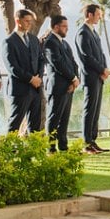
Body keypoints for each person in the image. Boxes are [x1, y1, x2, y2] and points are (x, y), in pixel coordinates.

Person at [76, 4, 110, 154]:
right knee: (89, 109)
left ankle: (93, 140)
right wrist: (101, 69)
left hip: (99, 76)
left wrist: (105, 69)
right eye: (97, 14)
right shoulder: (82, 33)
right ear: (89, 15)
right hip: (90, 77)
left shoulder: (94, 33)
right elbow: (86, 57)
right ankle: (86, 143)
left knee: (96, 110)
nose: (99, 17)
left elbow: (101, 54)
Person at [5, 9, 45, 135]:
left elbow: (40, 59)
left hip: (36, 88)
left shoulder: (33, 39)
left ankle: (34, 151)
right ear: (18, 21)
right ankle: (9, 151)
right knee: (15, 121)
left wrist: (38, 77)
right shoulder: (9, 42)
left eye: (30, 21)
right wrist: (30, 79)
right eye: (26, 21)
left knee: (35, 123)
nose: (29, 24)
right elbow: (12, 67)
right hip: (20, 89)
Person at [43, 15, 80, 152]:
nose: (67, 29)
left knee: (64, 119)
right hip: (57, 87)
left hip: (69, 87)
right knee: (54, 118)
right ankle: (50, 147)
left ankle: (63, 146)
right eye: (64, 26)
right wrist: (72, 78)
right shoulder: (50, 42)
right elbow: (58, 63)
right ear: (56, 26)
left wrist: (76, 79)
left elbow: (73, 62)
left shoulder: (65, 43)